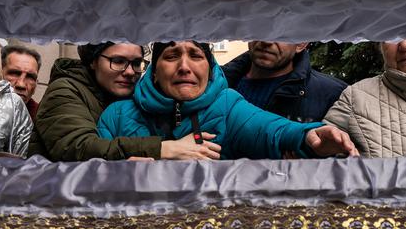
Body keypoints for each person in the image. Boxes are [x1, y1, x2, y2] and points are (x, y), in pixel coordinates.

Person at [97, 41, 358, 160]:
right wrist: (117, 173)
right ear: (154, 71)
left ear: (209, 69)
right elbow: (91, 171)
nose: (185, 67)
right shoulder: (117, 115)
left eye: (196, 56)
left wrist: (309, 137)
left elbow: (271, 129)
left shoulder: (227, 106)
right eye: (172, 56)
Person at [28, 42, 222, 161]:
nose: (130, 72)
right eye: (118, 61)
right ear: (93, 61)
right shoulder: (64, 90)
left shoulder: (127, 98)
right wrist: (163, 148)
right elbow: (78, 148)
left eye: (136, 63)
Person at [222, 41, 347, 122]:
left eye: (280, 35)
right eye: (261, 28)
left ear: (301, 44)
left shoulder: (334, 95)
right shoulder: (213, 84)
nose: (267, 41)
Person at [1, 44, 42, 119]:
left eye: (30, 77)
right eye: (14, 73)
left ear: (36, 85)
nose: (21, 84)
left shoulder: (42, 122)